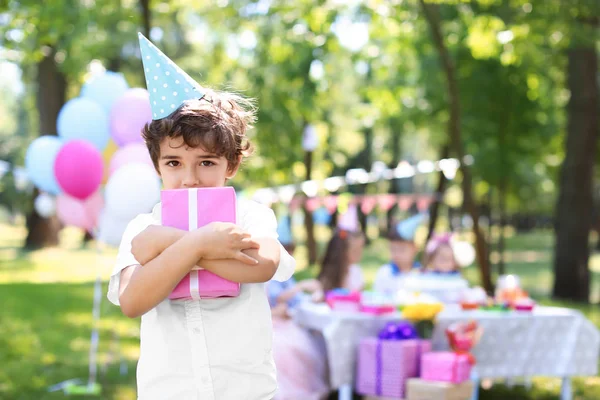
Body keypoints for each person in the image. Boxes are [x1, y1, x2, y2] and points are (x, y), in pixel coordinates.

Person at [106, 33, 295, 400]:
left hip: (246, 390)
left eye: (206, 163)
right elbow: (133, 301)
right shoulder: (144, 227)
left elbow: (263, 265)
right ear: (157, 165)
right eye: (174, 163)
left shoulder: (250, 215)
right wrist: (202, 244)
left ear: (232, 164)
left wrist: (174, 246)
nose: (190, 179)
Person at [266, 214, 329, 400]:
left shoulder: (285, 273)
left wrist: (310, 296)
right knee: (290, 350)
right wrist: (301, 287)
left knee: (312, 344)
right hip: (273, 323)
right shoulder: (268, 274)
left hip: (286, 321)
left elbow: (295, 299)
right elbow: (280, 297)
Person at [373, 214, 426, 294]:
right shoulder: (385, 273)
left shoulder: (421, 273)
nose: (397, 254)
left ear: (414, 248)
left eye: (402, 250)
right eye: (393, 249)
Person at [318, 204, 365, 293]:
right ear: (342, 251)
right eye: (355, 250)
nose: (360, 253)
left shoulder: (356, 272)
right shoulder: (330, 274)